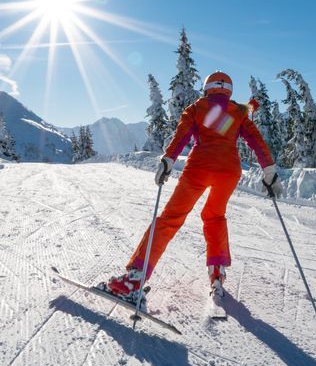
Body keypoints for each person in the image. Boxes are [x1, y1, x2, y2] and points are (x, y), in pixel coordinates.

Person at [102, 71, 280, 307]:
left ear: (207, 88)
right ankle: (217, 274)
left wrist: (168, 160)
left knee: (170, 218)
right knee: (214, 215)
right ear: (228, 90)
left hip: (199, 168)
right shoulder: (238, 112)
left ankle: (134, 281)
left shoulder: (197, 107)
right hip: (228, 172)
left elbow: (181, 136)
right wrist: (269, 171)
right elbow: (256, 140)